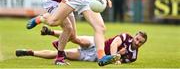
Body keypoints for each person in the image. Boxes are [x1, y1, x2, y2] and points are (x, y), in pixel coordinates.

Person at [16, 27, 147, 64]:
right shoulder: (126, 37)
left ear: (142, 44)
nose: (137, 42)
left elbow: (121, 62)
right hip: (97, 43)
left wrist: (118, 59)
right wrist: (115, 56)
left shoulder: (133, 57)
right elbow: (114, 43)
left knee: (62, 54)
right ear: (134, 36)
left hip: (93, 56)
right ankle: (51, 32)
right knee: (76, 38)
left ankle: (29, 52)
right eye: (137, 39)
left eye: (140, 42)